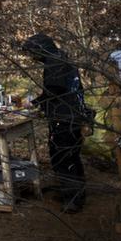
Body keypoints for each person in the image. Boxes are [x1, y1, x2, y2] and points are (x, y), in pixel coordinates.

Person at [22, 33, 89, 213]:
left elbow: (53, 92)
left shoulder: (55, 63)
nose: (32, 57)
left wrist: (34, 103)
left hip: (65, 118)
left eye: (33, 53)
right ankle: (75, 192)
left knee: (63, 157)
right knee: (71, 156)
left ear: (40, 49)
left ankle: (73, 199)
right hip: (73, 115)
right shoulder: (61, 58)